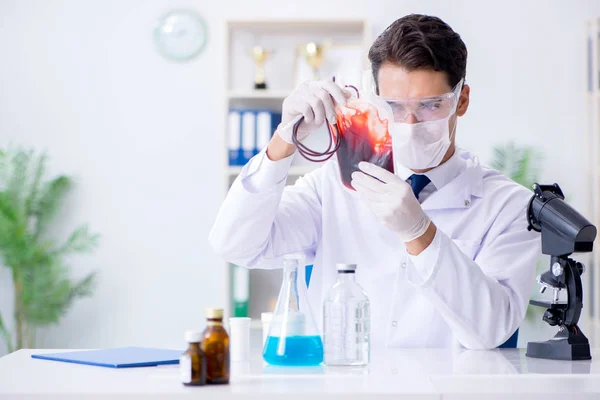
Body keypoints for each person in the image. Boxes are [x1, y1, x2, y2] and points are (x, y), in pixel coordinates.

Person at [210, 14, 539, 350]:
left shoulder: (509, 206)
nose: (410, 123)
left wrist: (420, 233)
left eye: (430, 106)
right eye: (393, 106)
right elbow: (236, 245)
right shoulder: (334, 186)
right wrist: (283, 141)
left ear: (462, 100)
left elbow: (490, 331)